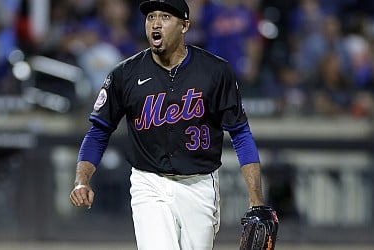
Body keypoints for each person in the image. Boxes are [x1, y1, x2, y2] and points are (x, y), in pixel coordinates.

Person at [69, 0, 272, 249]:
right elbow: (99, 131)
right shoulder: (125, 74)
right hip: (149, 182)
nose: (155, 23)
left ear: (184, 25)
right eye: (151, 16)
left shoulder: (215, 71)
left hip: (200, 184)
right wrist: (82, 179)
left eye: (165, 16)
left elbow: (240, 133)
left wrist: (256, 199)